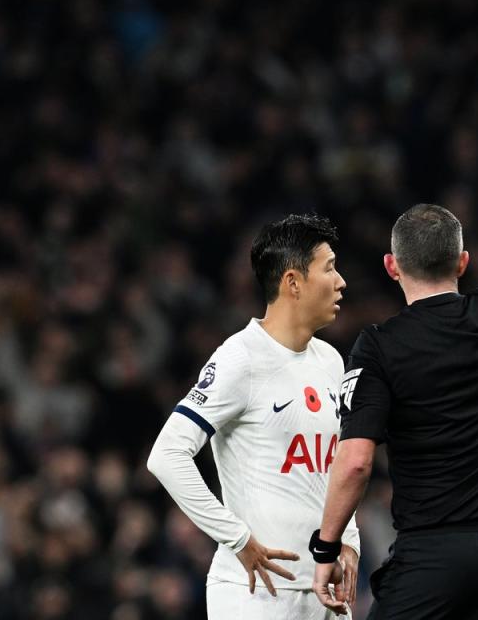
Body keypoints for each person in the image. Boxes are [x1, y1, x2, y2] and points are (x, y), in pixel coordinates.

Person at [310, 57, 478, 618]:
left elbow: (355, 462)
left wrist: (326, 545)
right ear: (464, 262)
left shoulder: (376, 344)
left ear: (392, 267)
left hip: (430, 555)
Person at [147, 213, 360, 619]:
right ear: (293, 282)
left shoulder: (331, 361)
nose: (341, 281)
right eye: (329, 268)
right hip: (256, 593)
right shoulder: (239, 359)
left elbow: (336, 468)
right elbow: (167, 454)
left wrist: (348, 541)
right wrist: (237, 539)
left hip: (325, 593)